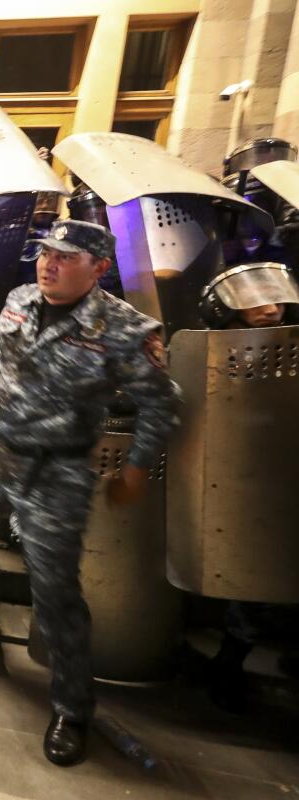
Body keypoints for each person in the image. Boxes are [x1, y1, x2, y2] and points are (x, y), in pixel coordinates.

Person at [0, 219, 180, 766]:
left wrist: (137, 469)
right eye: (46, 253)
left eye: (65, 257)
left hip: (57, 469)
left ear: (97, 267)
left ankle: (73, 709)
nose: (48, 264)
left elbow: (161, 402)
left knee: (55, 592)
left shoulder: (125, 329)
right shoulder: (21, 296)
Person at [197, 262, 299, 712]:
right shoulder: (218, 352)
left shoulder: (289, 348)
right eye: (255, 299)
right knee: (249, 578)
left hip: (282, 473)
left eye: (273, 297)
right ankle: (228, 664)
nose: (270, 307)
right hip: (240, 478)